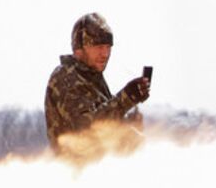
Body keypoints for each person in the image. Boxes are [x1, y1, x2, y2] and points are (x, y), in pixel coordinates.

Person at [44, 12, 150, 156]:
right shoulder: (66, 78)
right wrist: (126, 99)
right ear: (79, 48)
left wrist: (131, 117)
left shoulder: (91, 78)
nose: (105, 54)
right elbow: (87, 129)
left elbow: (105, 122)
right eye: (99, 46)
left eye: (108, 47)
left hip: (100, 168)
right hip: (76, 172)